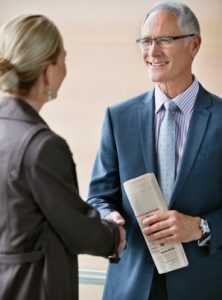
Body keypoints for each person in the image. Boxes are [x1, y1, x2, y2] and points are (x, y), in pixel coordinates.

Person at [87, 1, 222, 300]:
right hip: (130, 286)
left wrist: (201, 227)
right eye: (146, 41)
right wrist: (109, 217)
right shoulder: (118, 117)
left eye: (164, 39)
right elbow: (98, 196)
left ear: (194, 44)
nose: (153, 51)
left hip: (203, 287)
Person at [0, 14, 126, 300]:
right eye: (63, 59)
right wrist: (113, 233)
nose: (65, 69)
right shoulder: (43, 147)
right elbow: (78, 228)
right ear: (47, 71)